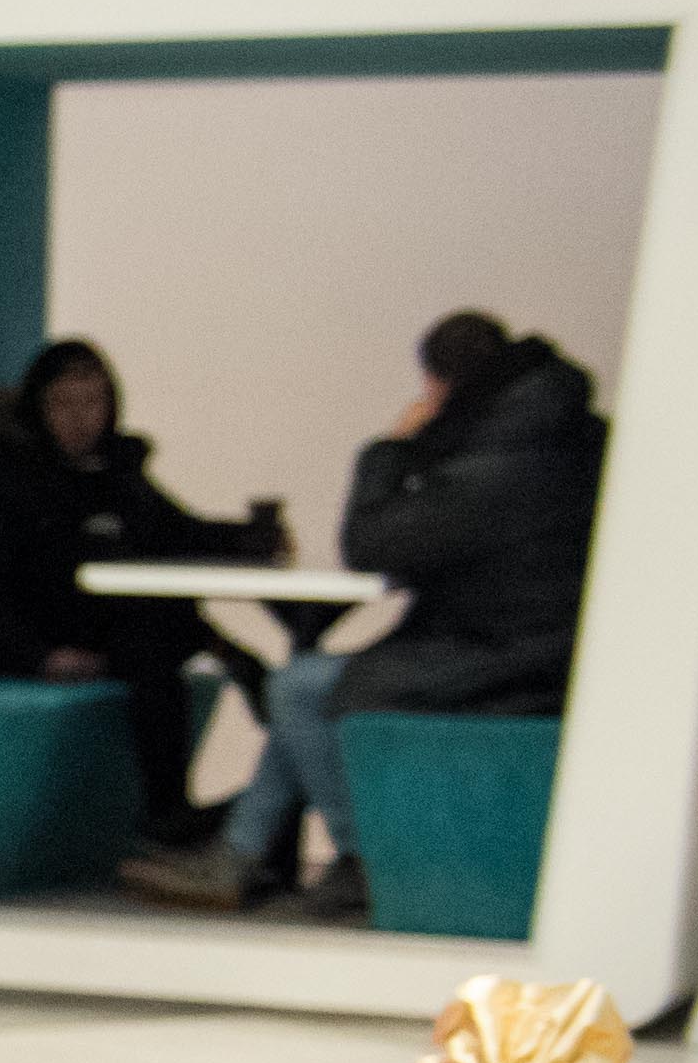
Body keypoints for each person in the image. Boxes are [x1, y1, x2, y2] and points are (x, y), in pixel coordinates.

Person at [135, 311, 609, 919]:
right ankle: (243, 852)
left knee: (301, 686)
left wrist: (391, 448)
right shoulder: (555, 434)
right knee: (306, 682)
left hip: (507, 663)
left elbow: (372, 543)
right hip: (533, 648)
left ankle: (362, 861)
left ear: (438, 385)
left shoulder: (500, 458)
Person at [0, 339, 290, 858]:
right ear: (39, 406)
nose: (80, 419)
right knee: (154, 635)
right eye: (63, 403)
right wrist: (39, 657)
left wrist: (253, 538)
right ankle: (168, 809)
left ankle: (256, 782)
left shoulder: (118, 472)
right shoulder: (9, 482)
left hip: (119, 627)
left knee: (160, 617)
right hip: (45, 636)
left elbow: (179, 532)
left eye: (93, 402)